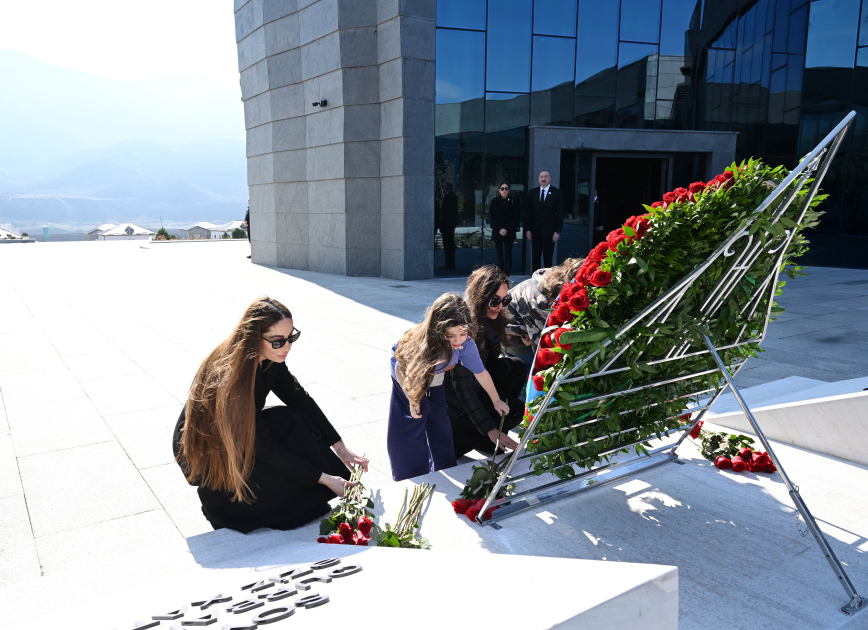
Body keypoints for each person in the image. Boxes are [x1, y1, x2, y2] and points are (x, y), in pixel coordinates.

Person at [172, 297, 368, 533]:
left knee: (292, 420)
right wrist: (324, 478)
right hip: (208, 453)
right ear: (255, 338)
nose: (287, 347)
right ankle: (225, 503)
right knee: (280, 453)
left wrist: (340, 447)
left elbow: (299, 399)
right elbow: (264, 448)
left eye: (291, 338)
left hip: (235, 434)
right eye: (278, 341)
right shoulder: (236, 378)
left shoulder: (267, 358)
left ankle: (298, 495)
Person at [388, 293, 509, 481]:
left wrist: (496, 400)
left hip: (434, 379)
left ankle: (444, 467)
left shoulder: (466, 344)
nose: (457, 340)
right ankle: (412, 476)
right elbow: (401, 370)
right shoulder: (423, 344)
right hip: (409, 380)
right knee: (412, 424)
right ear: (437, 329)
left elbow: (481, 374)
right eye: (450, 335)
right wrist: (412, 399)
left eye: (462, 333)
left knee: (440, 423)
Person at [447, 266, 529, 458]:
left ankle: (486, 441)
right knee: (515, 411)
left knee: (515, 367)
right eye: (494, 301)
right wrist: (490, 429)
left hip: (474, 387)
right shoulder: (465, 333)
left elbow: (488, 366)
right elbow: (463, 391)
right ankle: (482, 437)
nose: (500, 306)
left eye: (505, 300)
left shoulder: (488, 320)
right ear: (480, 298)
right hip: (454, 414)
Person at [502, 258, 585, 369]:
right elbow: (541, 351)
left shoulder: (555, 278)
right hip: (514, 341)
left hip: (527, 328)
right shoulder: (540, 301)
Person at [524, 170, 565, 271]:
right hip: (535, 231)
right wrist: (528, 229)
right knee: (535, 257)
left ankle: (547, 281)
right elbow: (528, 212)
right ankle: (535, 280)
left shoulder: (557, 193)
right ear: (538, 179)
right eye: (541, 177)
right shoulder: (532, 193)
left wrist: (557, 231)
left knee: (548, 258)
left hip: (550, 232)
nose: (543, 179)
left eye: (546, 176)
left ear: (550, 178)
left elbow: (560, 214)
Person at [487, 181, 520, 275]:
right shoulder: (494, 201)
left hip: (509, 232)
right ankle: (500, 276)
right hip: (498, 232)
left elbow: (516, 217)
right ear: (499, 190)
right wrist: (499, 229)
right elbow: (492, 217)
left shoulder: (515, 201)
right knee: (499, 256)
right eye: (502, 188)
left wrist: (507, 229)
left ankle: (507, 276)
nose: (504, 190)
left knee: (508, 255)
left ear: (509, 190)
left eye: (506, 188)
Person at [439, 182, 459, 270]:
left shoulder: (449, 197)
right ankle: (450, 263)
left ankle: (449, 263)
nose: (442, 188)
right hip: (449, 224)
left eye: (444, 187)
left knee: (448, 244)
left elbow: (446, 212)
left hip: (447, 225)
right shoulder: (452, 196)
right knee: (449, 243)